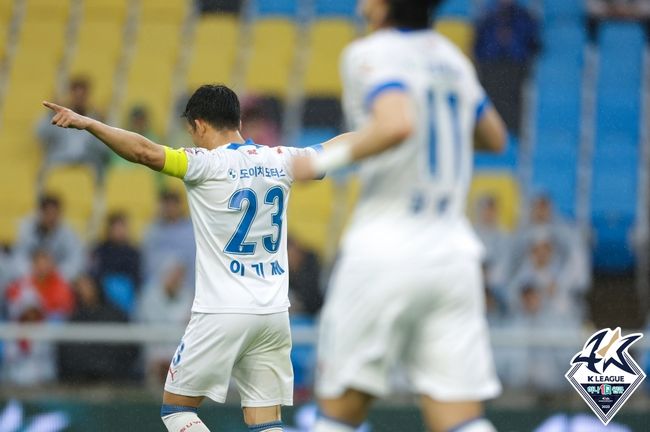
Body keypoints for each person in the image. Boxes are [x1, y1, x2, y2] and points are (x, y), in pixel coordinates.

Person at [42, 83, 336, 432]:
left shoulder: (204, 163)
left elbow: (144, 152)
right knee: (265, 421)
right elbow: (334, 148)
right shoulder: (280, 158)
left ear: (198, 125)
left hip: (222, 311)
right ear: (237, 119)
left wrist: (90, 124)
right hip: (273, 313)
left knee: (176, 410)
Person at [292, 0, 507, 431]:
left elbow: (395, 124)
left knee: (339, 412)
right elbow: (494, 138)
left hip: (385, 252)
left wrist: (319, 162)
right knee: (459, 419)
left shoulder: (371, 52)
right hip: (453, 257)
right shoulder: (452, 58)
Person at [474, 0, 540, 136]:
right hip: (491, 72)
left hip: (516, 72)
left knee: (512, 112)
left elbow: (534, 45)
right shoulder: (488, 17)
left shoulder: (524, 18)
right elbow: (478, 46)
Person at [36, 77, 110, 184]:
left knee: (101, 170)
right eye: (76, 94)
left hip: (88, 162)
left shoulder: (95, 119)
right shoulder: (59, 116)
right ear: (70, 94)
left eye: (82, 95)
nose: (79, 98)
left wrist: (104, 123)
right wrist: (49, 115)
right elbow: (39, 133)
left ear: (88, 96)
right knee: (44, 169)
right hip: (60, 159)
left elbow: (105, 149)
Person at [137, 258, 193, 386]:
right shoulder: (149, 296)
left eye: (180, 275)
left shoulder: (188, 296)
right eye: (173, 274)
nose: (176, 279)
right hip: (153, 350)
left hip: (179, 351)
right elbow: (146, 327)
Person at [12, 194, 84, 282]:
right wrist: (33, 273)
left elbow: (76, 260)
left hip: (59, 279)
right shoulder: (27, 228)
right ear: (40, 213)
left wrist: (55, 275)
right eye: (48, 213)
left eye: (55, 214)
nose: (51, 218)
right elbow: (19, 256)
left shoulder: (69, 231)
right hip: (31, 277)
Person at [90, 212, 142, 316]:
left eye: (121, 227)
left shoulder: (133, 252)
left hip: (127, 293)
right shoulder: (100, 250)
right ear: (109, 229)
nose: (119, 231)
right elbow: (96, 273)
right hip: (103, 292)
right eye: (116, 228)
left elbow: (136, 277)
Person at [142, 189, 195, 289]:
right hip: (158, 288)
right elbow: (147, 264)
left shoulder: (191, 230)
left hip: (186, 288)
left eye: (173, 204)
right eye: (167, 205)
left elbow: (193, 262)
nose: (170, 208)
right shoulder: (152, 231)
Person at [5, 249, 75, 320]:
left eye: (45, 263)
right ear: (33, 265)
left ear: (52, 264)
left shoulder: (61, 283)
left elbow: (63, 306)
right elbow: (12, 297)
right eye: (38, 263)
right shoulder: (25, 282)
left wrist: (39, 305)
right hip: (28, 321)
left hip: (52, 322)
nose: (42, 267)